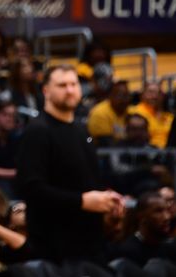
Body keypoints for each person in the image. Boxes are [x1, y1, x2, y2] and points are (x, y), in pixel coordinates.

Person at [16, 64, 125, 274]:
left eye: (74, 84)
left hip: (89, 244)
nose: (70, 90)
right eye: (62, 85)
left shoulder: (80, 129)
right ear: (46, 90)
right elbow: (31, 189)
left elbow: (86, 182)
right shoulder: (37, 131)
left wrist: (105, 202)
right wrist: (83, 201)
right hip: (55, 250)